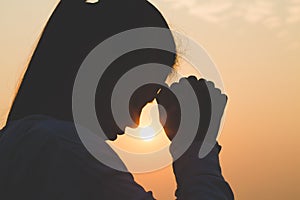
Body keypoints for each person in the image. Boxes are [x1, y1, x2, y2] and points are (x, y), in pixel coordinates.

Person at [0, 0, 234, 199]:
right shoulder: (63, 150)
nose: (135, 123)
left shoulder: (22, 142)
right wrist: (196, 147)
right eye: (138, 100)